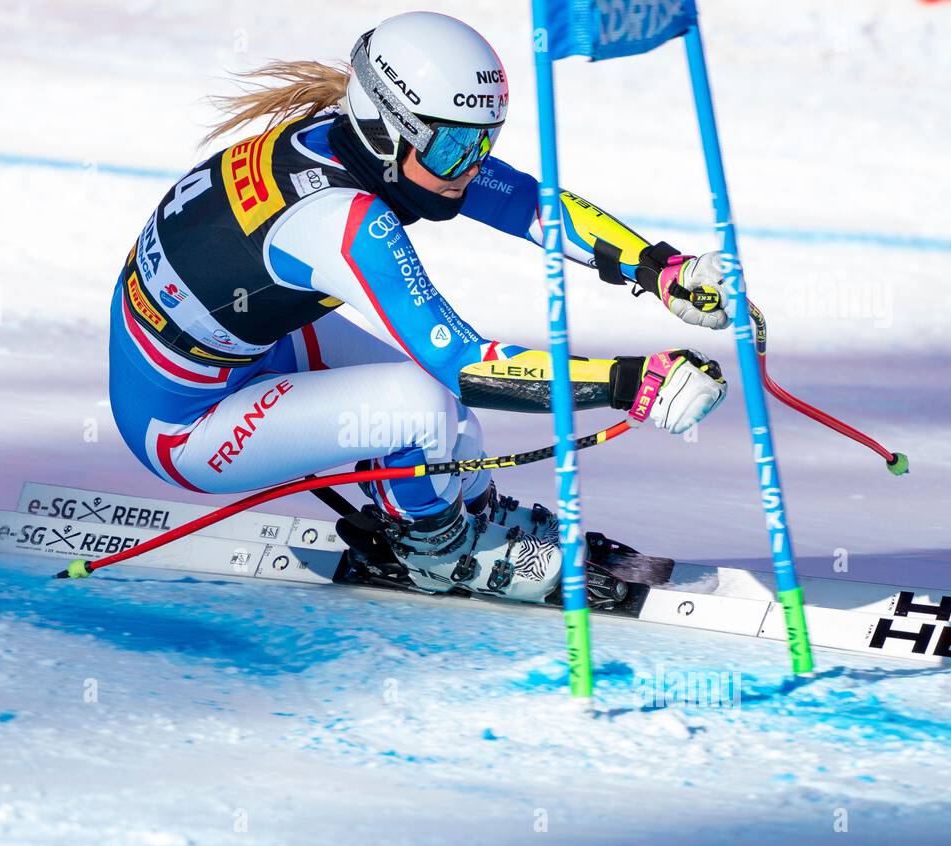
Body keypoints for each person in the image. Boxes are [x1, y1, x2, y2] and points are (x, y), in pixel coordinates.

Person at [108, 11, 732, 604]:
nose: (467, 169)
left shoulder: (341, 140)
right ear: (386, 127)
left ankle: (464, 511)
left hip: (235, 348)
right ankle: (439, 552)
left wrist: (657, 268)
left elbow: (521, 201)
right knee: (425, 405)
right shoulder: (339, 221)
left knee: (443, 417)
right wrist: (630, 383)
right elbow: (467, 364)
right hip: (183, 425)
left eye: (481, 144)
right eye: (452, 150)